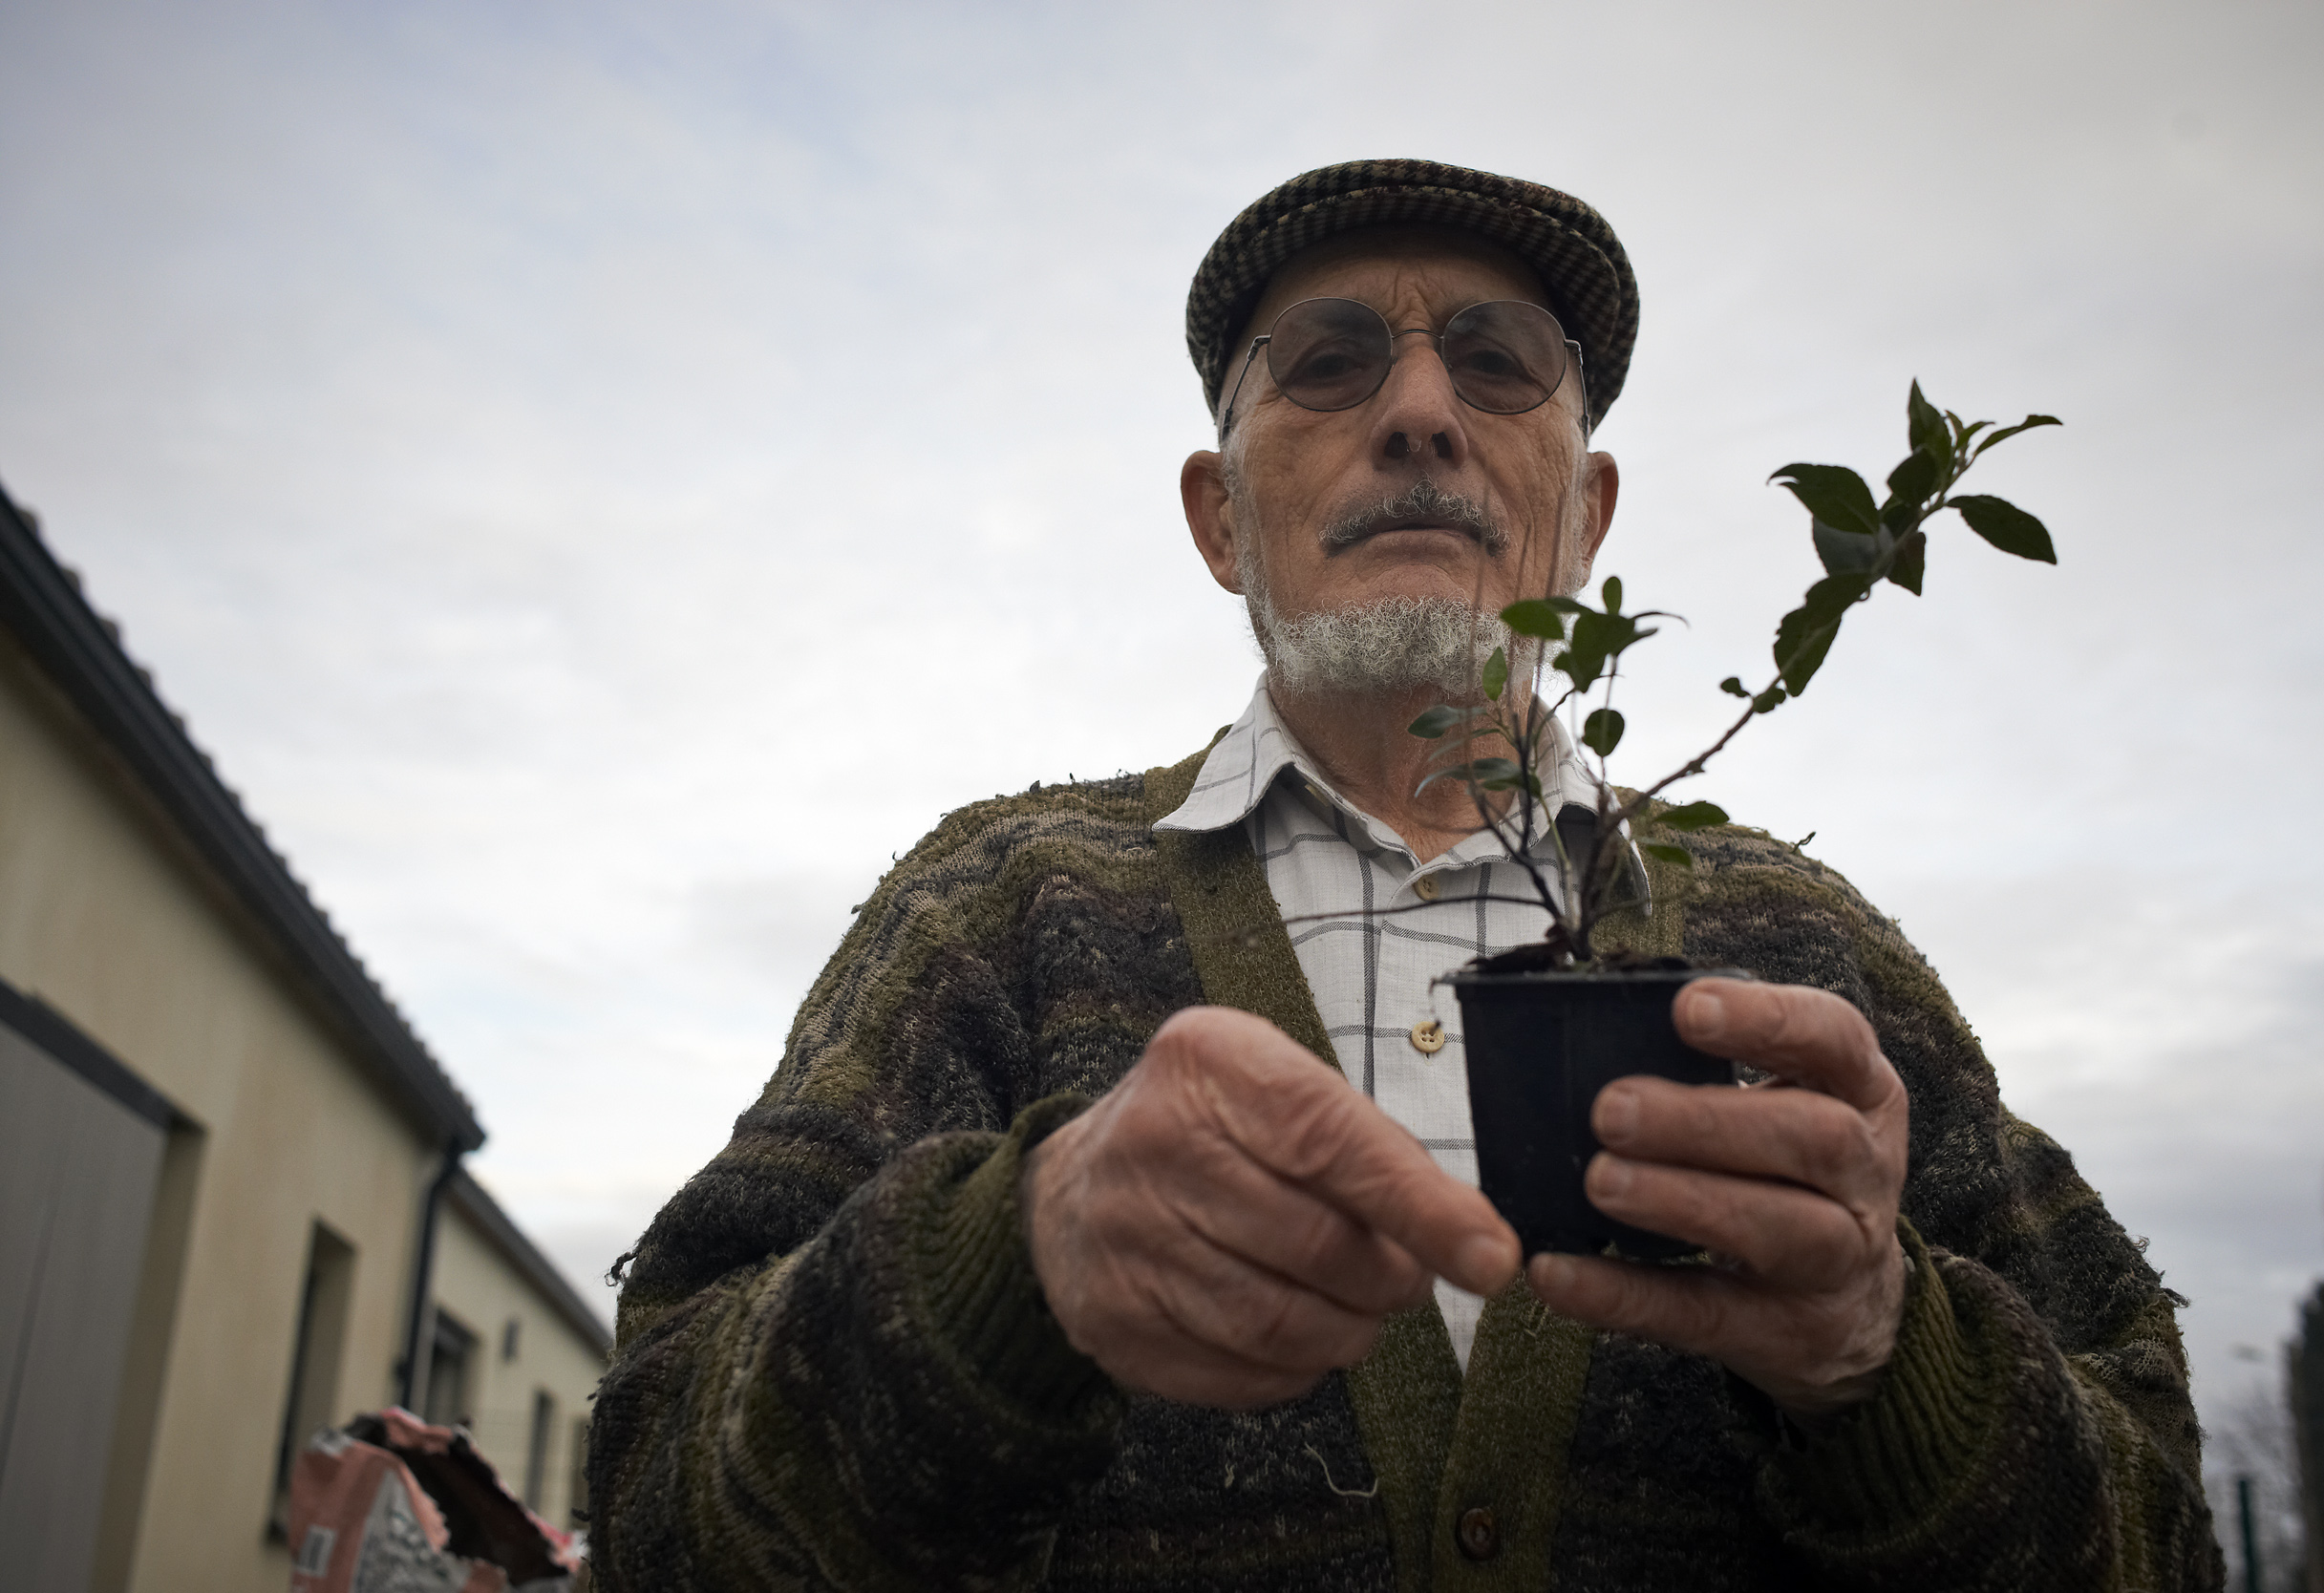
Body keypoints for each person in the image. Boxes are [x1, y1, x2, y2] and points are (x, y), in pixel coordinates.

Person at [588, 159, 2222, 1591]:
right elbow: (654, 1501)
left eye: (1499, 365)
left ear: (1583, 519)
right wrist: (1009, 1273)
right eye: (1329, 362)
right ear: (1221, 517)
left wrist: (1889, 1364)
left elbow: (2160, 1532)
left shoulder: (1811, 961)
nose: (1421, 412)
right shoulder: (995, 916)